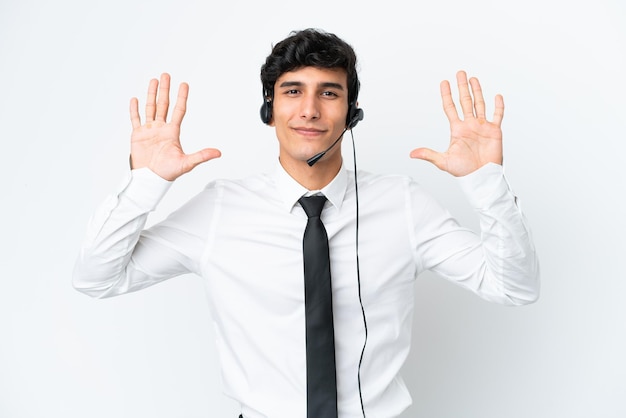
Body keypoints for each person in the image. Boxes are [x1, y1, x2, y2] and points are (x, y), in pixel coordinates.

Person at [73, 28, 540, 418]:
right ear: (269, 108)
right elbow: (97, 278)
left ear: (351, 113)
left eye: (329, 93)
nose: (310, 109)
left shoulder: (403, 204)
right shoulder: (219, 210)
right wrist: (146, 183)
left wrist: (486, 183)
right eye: (293, 91)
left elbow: (514, 288)